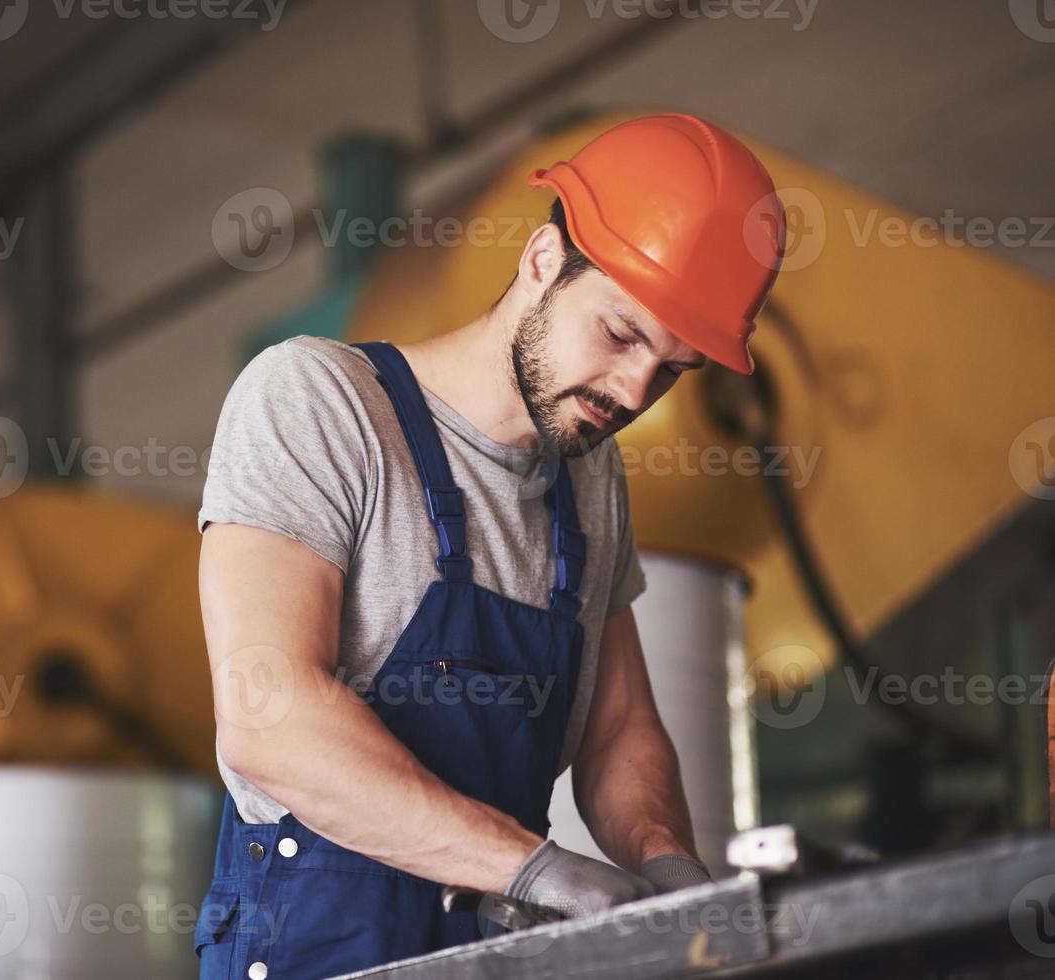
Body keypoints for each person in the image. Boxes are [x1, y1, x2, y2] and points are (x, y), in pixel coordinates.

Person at [192, 112, 786, 980]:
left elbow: (620, 729)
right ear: (543, 262)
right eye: (621, 334)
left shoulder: (589, 482)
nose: (632, 390)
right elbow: (267, 717)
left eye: (672, 368)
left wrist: (673, 880)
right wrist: (539, 870)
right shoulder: (318, 403)